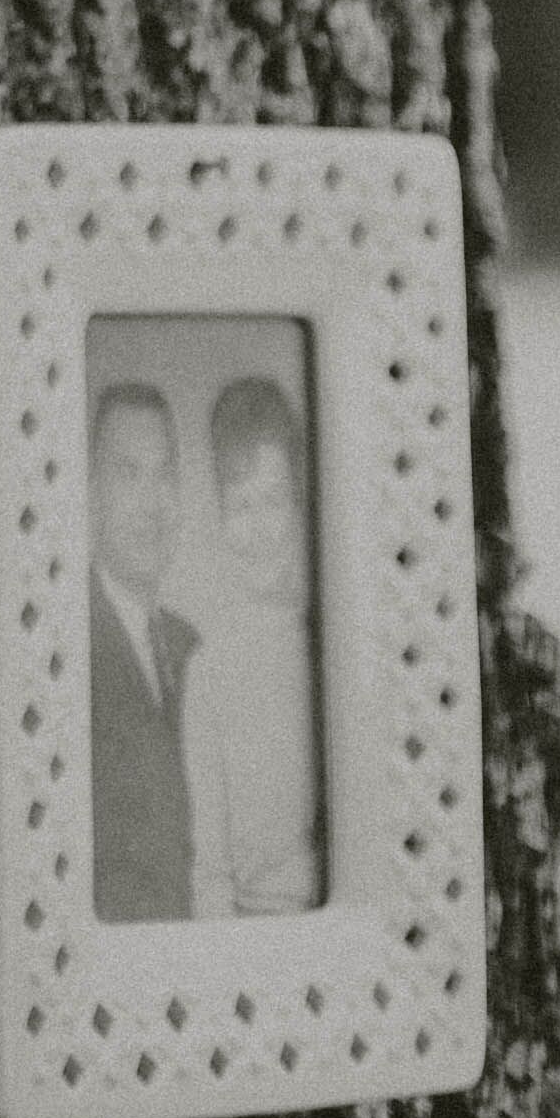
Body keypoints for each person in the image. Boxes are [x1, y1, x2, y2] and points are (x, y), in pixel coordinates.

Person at [186, 374, 328, 915]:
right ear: (220, 519)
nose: (260, 528)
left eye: (274, 501)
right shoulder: (210, 670)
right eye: (240, 506)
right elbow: (211, 871)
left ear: (300, 504)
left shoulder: (330, 650)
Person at [86, 376, 203, 922]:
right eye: (129, 474)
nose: (151, 504)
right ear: (90, 491)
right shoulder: (67, 642)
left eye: (163, 476)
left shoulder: (191, 648)